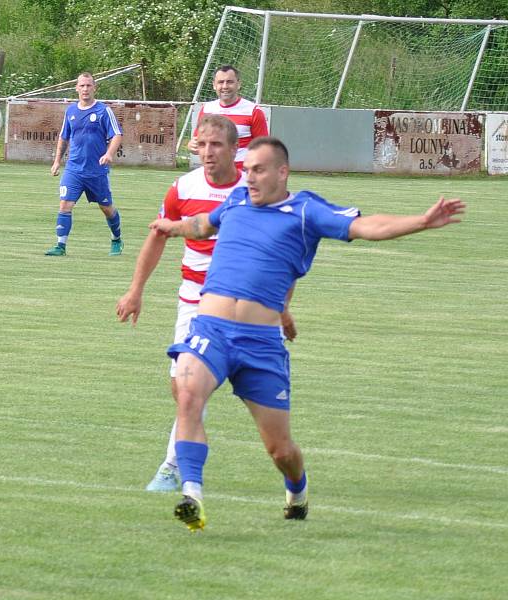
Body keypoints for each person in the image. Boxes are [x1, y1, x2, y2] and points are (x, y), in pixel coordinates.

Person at [150, 136, 465, 532]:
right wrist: (173, 226)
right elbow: (201, 225)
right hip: (211, 329)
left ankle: (297, 490)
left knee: (280, 450)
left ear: (283, 172)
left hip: (261, 345)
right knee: (188, 392)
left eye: (258, 170)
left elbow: (365, 226)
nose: (249, 178)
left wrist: (420, 221)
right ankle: (191, 494)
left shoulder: (305, 211)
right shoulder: (235, 202)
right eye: (247, 170)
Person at [116, 115, 297, 493]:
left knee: (194, 392)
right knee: (183, 390)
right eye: (202, 144)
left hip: (244, 308)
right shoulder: (182, 188)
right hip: (192, 301)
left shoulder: (257, 191)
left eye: (216, 145)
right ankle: (180, 463)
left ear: (236, 149)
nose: (207, 152)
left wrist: (281, 307)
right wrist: (136, 290)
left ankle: (171, 467)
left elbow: (284, 254)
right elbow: (158, 236)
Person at [45, 72, 124, 257]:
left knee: (106, 208)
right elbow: (63, 137)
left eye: (89, 85)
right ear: (76, 88)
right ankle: (60, 246)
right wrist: (57, 161)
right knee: (65, 204)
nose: (85, 89)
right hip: (74, 169)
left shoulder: (103, 111)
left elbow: (117, 134)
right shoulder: (71, 111)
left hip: (96, 170)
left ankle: (116, 239)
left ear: (94, 88)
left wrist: (109, 153)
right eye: (82, 85)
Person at [187, 65, 268, 170]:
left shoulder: (253, 111)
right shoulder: (206, 109)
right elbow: (198, 143)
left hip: (243, 175)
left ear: (238, 84)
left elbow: (264, 148)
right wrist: (191, 146)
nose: (225, 86)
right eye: (220, 82)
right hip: (214, 173)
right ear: (214, 85)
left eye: (230, 82)